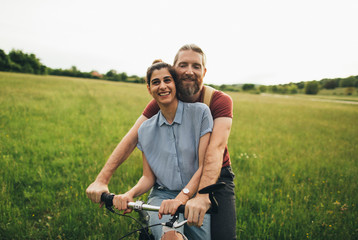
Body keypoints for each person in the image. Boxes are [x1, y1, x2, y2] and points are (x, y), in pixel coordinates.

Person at [86, 44, 236, 239]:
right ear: (174, 69)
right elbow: (133, 137)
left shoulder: (216, 102)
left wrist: (201, 195)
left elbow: (214, 151)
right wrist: (101, 180)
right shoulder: (164, 98)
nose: (189, 71)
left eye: (196, 66)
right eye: (183, 65)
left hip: (216, 174)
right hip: (170, 184)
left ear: (204, 71)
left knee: (224, 236)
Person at [112, 60, 213, 239]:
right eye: (156, 82)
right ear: (149, 89)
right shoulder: (145, 129)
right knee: (171, 237)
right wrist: (130, 194)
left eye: (167, 80)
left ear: (175, 84)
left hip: (195, 196)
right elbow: (148, 177)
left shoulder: (201, 113)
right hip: (162, 197)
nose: (162, 86)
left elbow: (204, 166)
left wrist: (182, 198)